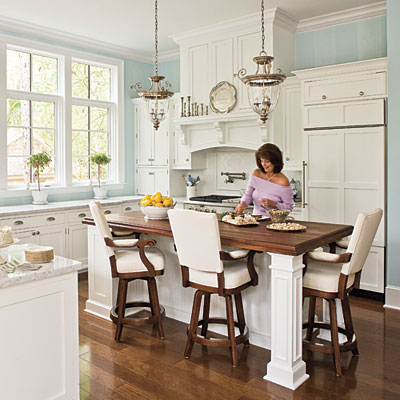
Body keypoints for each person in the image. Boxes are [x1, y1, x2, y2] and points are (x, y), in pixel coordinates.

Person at [235, 143, 293, 216]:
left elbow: (289, 207)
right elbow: (248, 195)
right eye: (261, 161)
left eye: (267, 161)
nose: (263, 164)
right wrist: (243, 203)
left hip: (275, 223)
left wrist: (274, 204)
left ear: (275, 161)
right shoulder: (256, 174)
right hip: (256, 219)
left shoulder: (283, 181)